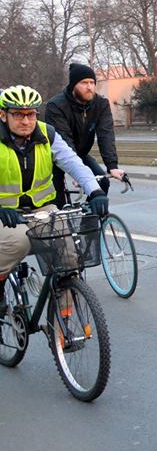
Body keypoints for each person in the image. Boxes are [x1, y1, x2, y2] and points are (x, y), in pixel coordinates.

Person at [0, 86, 109, 317]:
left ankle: (65, 318)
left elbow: (74, 163)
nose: (25, 120)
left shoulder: (46, 134)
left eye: (30, 114)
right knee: (20, 242)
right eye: (18, 114)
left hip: (42, 208)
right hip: (6, 213)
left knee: (69, 251)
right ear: (3, 115)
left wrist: (95, 191)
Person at [44, 62, 126, 207]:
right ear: (73, 85)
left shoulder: (101, 104)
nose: (89, 87)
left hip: (81, 154)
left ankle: (88, 224)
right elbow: (64, 139)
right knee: (57, 201)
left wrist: (112, 166)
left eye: (92, 82)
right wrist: (77, 172)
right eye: (84, 83)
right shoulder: (56, 106)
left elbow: (106, 134)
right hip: (54, 156)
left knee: (101, 184)